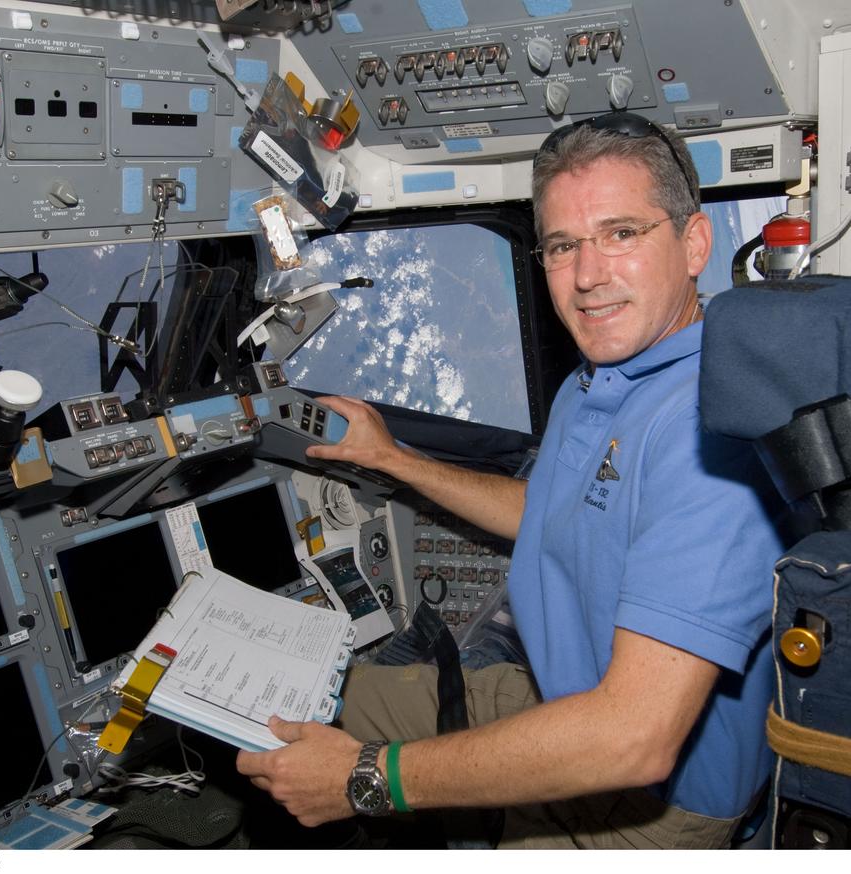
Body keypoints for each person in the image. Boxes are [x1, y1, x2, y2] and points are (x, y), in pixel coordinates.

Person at [236, 112, 785, 849]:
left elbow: (635, 737)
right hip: (559, 690)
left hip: (656, 798)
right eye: (563, 246)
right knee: (285, 703)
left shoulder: (712, 424)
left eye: (622, 233)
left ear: (693, 244)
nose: (588, 276)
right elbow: (547, 511)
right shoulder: (599, 383)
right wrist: (392, 457)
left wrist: (368, 778)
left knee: (345, 753)